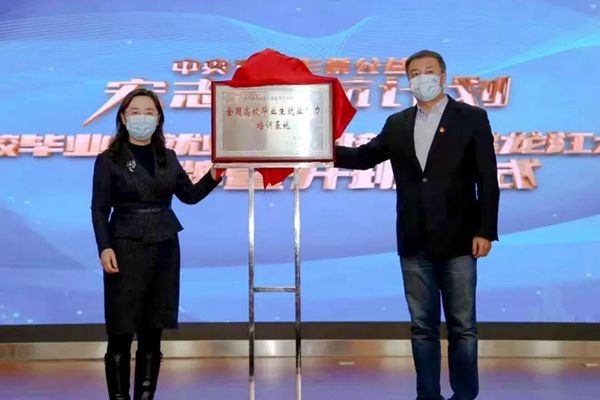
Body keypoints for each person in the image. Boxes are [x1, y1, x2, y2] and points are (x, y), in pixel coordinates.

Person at [335, 50, 500, 400]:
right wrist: (319, 148)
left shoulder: (471, 118)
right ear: (408, 80)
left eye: (429, 71)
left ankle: (465, 395)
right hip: (413, 239)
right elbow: (364, 158)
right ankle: (427, 395)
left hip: (460, 239)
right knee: (422, 327)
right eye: (415, 73)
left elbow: (487, 178)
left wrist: (486, 230)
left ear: (443, 76)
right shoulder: (398, 123)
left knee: (462, 327)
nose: (422, 77)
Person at [91, 88, 221, 400]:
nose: (142, 118)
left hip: (164, 245)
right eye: (135, 112)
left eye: (149, 112)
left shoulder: (168, 157)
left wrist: (215, 174)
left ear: (159, 118)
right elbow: (99, 208)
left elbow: (189, 196)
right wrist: (104, 247)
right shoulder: (109, 159)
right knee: (122, 331)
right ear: (123, 118)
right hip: (124, 246)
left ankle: (146, 396)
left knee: (152, 331)